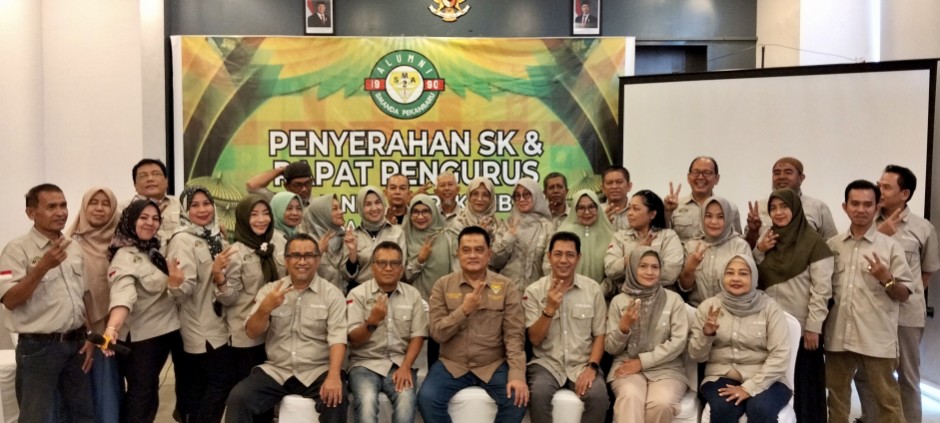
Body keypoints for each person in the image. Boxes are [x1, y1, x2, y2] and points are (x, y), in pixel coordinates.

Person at [225, 233, 348, 423]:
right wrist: (265, 308)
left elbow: (338, 339)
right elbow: (252, 332)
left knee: (336, 401)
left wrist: (333, 376)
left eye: (309, 256)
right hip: (277, 370)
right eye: (296, 255)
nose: (302, 261)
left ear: (317, 259)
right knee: (238, 398)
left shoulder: (332, 294)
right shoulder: (271, 290)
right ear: (286, 260)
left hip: (317, 370)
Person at [0, 184, 95, 423]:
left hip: (76, 344)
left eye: (63, 205)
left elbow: (83, 296)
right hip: (39, 348)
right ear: (31, 213)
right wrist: (42, 267)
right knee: (35, 417)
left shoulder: (74, 248)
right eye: (51, 207)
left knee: (82, 416)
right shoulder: (16, 250)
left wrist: (90, 336)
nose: (60, 212)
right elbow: (10, 300)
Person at [825, 179, 915, 423]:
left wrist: (887, 279)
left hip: (877, 338)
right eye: (855, 204)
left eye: (867, 204)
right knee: (836, 402)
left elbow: (905, 294)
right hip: (838, 336)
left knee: (888, 403)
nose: (861, 209)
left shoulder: (890, 247)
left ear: (877, 208)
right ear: (845, 207)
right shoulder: (832, 246)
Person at [418, 226, 529, 423]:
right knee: (427, 399)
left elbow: (514, 336)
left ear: (489, 254)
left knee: (517, 399)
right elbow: (437, 333)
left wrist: (517, 375)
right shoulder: (443, 285)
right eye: (466, 250)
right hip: (452, 364)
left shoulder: (506, 287)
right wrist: (464, 311)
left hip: (492, 364)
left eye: (479, 250)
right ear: (458, 253)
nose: (472, 255)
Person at [855, 166, 939, 423]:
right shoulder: (867, 221)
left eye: (886, 187)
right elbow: (853, 257)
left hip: (906, 314)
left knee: (907, 377)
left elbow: (927, 271)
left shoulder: (922, 228)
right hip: (871, 312)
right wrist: (878, 234)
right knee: (864, 375)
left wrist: (904, 293)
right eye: (879, 184)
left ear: (905, 194)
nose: (879, 190)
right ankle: (870, 418)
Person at [753, 189, 833, 423]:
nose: (778, 212)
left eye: (784, 207)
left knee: (804, 385)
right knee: (774, 382)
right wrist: (759, 250)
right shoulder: (768, 239)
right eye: (773, 208)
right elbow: (751, 275)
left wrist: (813, 327)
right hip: (769, 325)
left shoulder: (814, 243)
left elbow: (822, 290)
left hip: (802, 328)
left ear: (796, 209)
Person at [105, 199, 187, 423]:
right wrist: (113, 327)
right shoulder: (124, 256)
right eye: (143, 218)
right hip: (142, 341)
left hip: (165, 333)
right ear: (130, 220)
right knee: (141, 399)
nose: (150, 223)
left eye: (155, 218)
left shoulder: (154, 249)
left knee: (149, 396)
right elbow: (123, 295)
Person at [689, 254, 792, 422]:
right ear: (722, 276)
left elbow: (780, 355)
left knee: (760, 408)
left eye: (743, 273)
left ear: (754, 277)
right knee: (724, 407)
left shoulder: (770, 308)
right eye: (730, 273)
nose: (736, 278)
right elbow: (696, 356)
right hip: (719, 376)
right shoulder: (709, 307)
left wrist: (749, 388)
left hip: (766, 378)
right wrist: (707, 334)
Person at [167, 186, 239, 423]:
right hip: (201, 327)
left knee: (203, 386)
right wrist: (175, 285)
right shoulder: (182, 240)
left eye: (206, 203)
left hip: (220, 323)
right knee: (222, 381)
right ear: (184, 210)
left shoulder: (215, 235)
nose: (202, 210)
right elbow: (183, 291)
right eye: (194, 205)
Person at [524, 232, 609, 423]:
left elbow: (600, 335)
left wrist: (592, 367)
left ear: (578, 258)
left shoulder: (592, 289)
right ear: (549, 257)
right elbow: (534, 339)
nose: (563, 260)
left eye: (570, 255)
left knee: (599, 397)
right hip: (546, 363)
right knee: (538, 395)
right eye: (558, 254)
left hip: (582, 363)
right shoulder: (534, 291)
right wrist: (550, 309)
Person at [347, 241, 427, 423]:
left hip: (400, 364)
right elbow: (354, 340)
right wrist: (372, 322)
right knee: (367, 403)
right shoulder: (357, 295)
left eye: (394, 263)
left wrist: (406, 367)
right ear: (373, 267)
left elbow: (418, 336)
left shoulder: (413, 295)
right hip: (364, 364)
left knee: (406, 402)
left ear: (401, 268)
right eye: (382, 263)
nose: (388, 268)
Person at [606, 248, 689, 423]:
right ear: (632, 268)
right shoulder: (619, 302)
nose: (649, 272)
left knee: (661, 404)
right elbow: (611, 348)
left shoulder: (673, 300)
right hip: (626, 364)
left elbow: (678, 342)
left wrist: (642, 362)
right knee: (630, 397)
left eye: (655, 267)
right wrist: (623, 327)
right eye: (642, 266)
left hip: (666, 368)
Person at [67, 187, 121, 423]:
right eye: (93, 203)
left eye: (105, 203)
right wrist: (89, 331)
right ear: (84, 207)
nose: (99, 208)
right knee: (86, 393)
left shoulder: (122, 243)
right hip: (83, 332)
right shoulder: (68, 245)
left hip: (118, 330)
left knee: (110, 392)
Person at [226, 196, 287, 389]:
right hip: (246, 334)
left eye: (265, 213)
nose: (261, 219)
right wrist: (219, 279)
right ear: (244, 218)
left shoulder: (279, 241)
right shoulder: (235, 253)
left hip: (277, 332)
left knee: (273, 389)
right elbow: (229, 299)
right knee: (249, 389)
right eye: (254, 214)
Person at [744, 157, 838, 248]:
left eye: (788, 172)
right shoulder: (759, 207)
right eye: (777, 173)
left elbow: (832, 245)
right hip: (762, 259)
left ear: (801, 178)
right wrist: (753, 231)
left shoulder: (817, 207)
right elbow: (747, 249)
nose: (781, 177)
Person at [604, 190, 684, 296]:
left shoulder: (668, 237)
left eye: (636, 209)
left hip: (660, 296)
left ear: (652, 214)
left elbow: (670, 275)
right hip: (626, 296)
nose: (629, 213)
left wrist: (631, 279)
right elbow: (610, 270)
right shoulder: (619, 236)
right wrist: (634, 254)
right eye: (629, 208)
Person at [677, 196, 751, 307]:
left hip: (730, 310)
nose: (714, 222)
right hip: (696, 310)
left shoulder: (740, 246)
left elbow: (747, 285)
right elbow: (684, 289)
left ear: (728, 218)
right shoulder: (691, 246)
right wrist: (690, 268)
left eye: (720, 217)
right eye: (708, 216)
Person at [494, 177, 556, 292]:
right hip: (507, 293)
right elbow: (495, 262)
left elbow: (550, 266)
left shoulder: (547, 227)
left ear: (536, 195)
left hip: (537, 293)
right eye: (517, 195)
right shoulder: (507, 225)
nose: (521, 199)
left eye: (526, 194)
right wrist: (508, 238)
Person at [664, 156, 742, 244]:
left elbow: (738, 243)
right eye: (696, 172)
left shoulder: (730, 209)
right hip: (682, 252)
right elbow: (663, 239)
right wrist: (667, 212)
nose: (700, 177)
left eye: (707, 173)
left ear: (717, 178)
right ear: (688, 177)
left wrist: (752, 231)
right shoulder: (674, 206)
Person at [342, 186, 407, 291]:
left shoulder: (397, 233)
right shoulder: (353, 236)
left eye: (378, 202)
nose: (374, 208)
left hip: (391, 291)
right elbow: (347, 276)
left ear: (384, 204)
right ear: (360, 208)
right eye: (368, 204)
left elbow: (401, 270)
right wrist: (352, 255)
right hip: (361, 293)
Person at [552, 189, 614, 290]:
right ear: (574, 210)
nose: (587, 212)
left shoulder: (608, 233)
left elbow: (614, 270)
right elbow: (549, 264)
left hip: (603, 293)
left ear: (598, 208)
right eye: (581, 208)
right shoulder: (563, 233)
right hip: (566, 291)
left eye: (591, 207)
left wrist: (600, 291)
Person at [447, 177, 511, 267]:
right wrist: (479, 234)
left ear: (491, 198)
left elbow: (498, 262)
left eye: (485, 195)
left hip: (491, 275)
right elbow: (457, 258)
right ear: (469, 196)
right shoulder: (459, 222)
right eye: (475, 194)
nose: (480, 199)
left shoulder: (498, 223)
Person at [127, 158, 182, 251]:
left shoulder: (182, 205)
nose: (150, 179)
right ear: (135, 185)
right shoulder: (123, 209)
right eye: (143, 176)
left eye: (156, 174)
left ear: (166, 181)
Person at [300, 194, 347, 286]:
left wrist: (352, 254)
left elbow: (350, 276)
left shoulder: (345, 238)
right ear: (321, 214)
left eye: (340, 208)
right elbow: (301, 276)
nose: (341, 212)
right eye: (335, 209)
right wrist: (318, 252)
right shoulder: (306, 244)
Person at [245, 160, 314, 205]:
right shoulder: (277, 202)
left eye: (307, 183)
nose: (304, 189)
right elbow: (252, 185)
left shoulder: (317, 205)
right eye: (298, 185)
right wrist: (281, 170)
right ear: (286, 186)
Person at [600, 166, 633, 231]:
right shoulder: (597, 212)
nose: (614, 187)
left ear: (629, 186)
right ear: (602, 188)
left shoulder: (638, 210)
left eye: (619, 182)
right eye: (609, 183)